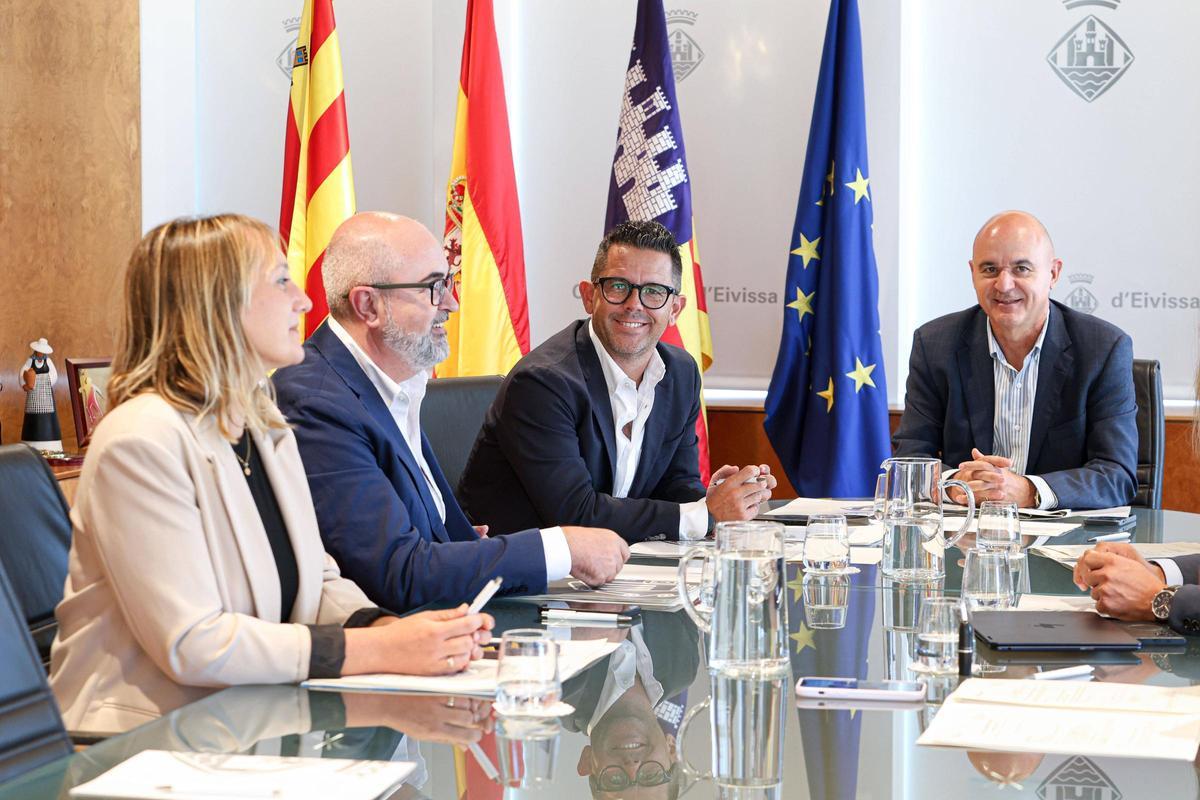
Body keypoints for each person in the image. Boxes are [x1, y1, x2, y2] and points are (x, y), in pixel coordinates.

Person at [49, 215, 493, 734]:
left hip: (252, 726)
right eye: (282, 281)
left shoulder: (262, 423)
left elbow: (318, 578)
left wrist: (394, 628)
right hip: (141, 744)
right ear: (217, 302)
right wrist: (376, 648)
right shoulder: (140, 440)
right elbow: (193, 643)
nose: (305, 302)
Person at [273, 212, 629, 613]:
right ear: (368, 305)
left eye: (449, 283)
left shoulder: (397, 380)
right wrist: (561, 548)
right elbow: (398, 574)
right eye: (433, 288)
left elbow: (434, 542)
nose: (452, 303)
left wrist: (461, 550)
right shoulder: (316, 402)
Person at [458, 220, 775, 543]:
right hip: (520, 577)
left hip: (614, 571)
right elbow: (575, 513)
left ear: (675, 309)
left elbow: (676, 485)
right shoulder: (543, 382)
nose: (634, 304)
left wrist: (712, 500)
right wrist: (704, 514)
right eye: (618, 286)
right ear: (588, 295)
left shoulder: (680, 373)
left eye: (654, 291)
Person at [892, 210, 1137, 510]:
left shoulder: (1102, 349)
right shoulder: (935, 345)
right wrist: (957, 486)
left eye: (1021, 268)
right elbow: (910, 462)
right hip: (965, 541)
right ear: (973, 273)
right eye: (990, 269)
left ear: (1054, 274)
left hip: (1067, 545)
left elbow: (1117, 476)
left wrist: (1028, 491)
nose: (1004, 285)